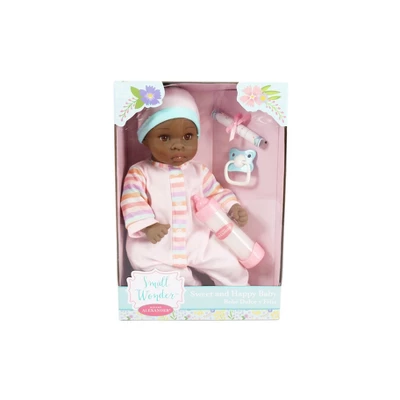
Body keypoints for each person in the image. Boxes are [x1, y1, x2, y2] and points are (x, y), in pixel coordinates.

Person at [121, 87, 249, 286]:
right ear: (145, 138)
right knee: (160, 273)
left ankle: (238, 292)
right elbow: (132, 200)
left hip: (198, 242)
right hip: (156, 248)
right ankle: (191, 291)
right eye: (165, 138)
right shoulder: (140, 172)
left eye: (188, 137)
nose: (178, 145)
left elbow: (216, 193)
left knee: (229, 265)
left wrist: (232, 206)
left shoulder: (199, 172)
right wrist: (148, 226)